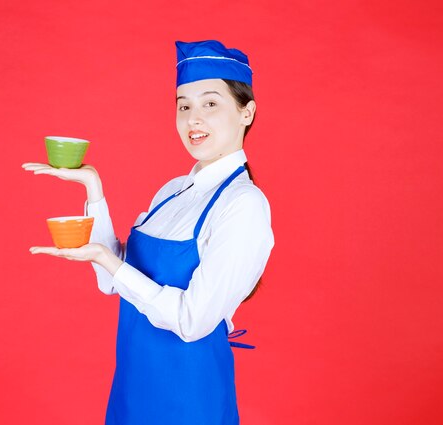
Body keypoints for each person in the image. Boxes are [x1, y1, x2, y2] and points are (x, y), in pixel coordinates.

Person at [22, 39, 275, 425]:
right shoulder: (171, 191)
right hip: (133, 384)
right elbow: (113, 282)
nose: (194, 119)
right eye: (183, 105)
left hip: (190, 395)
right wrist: (93, 187)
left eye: (210, 104)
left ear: (246, 112)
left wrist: (107, 259)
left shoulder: (244, 205)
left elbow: (192, 321)